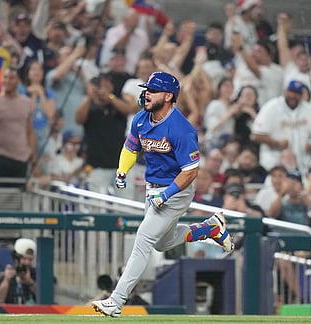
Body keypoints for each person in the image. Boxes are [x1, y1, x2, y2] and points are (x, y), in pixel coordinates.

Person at [91, 71, 234, 317]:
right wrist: (122, 171)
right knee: (162, 242)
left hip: (176, 189)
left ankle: (116, 301)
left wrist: (166, 195)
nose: (146, 94)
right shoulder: (140, 119)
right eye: (146, 89)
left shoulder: (182, 129)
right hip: (153, 188)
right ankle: (210, 229)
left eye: (153, 90)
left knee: (143, 239)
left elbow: (190, 172)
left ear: (168, 96)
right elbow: (130, 148)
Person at [0, 66, 37, 186]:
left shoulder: (27, 103)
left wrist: (33, 156)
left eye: (11, 78)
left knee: (17, 199)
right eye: (5, 77)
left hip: (21, 158)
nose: (7, 81)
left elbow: (29, 131)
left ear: (18, 81)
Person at [0, 238, 36, 304]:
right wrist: (6, 281)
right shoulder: (5, 276)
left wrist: (30, 283)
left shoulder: (37, 275)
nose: (27, 263)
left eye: (30, 259)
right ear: (16, 259)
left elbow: (48, 298)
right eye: (24, 258)